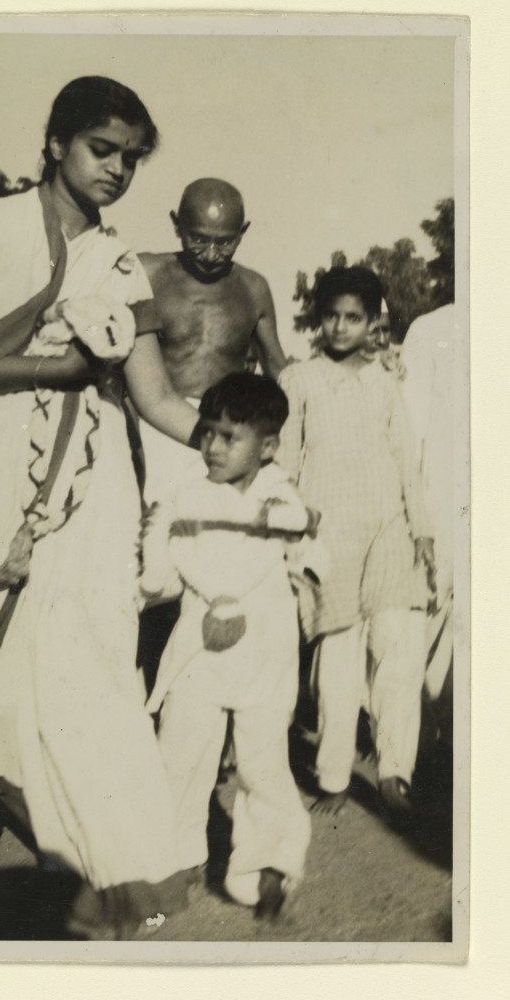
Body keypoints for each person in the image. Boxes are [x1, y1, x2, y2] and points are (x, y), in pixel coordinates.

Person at [0, 76, 200, 937]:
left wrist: (243, 449)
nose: (116, 170)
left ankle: (81, 841)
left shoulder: (122, 261)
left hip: (92, 482)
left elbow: (153, 397)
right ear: (55, 144)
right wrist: (63, 371)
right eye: (100, 150)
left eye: (130, 159)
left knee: (89, 647)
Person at [142, 373, 322, 919]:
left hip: (265, 649)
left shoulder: (284, 499)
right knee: (181, 752)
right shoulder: (187, 498)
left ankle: (264, 866)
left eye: (229, 437)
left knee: (264, 758)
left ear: (267, 447)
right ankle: (177, 860)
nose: (212, 447)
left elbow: (310, 560)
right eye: (207, 434)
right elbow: (163, 574)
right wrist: (149, 578)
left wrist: (310, 572)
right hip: (199, 644)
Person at [277, 267, 435, 818]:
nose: (341, 328)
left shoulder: (386, 381)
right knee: (337, 665)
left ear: (373, 324)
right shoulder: (298, 381)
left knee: (399, 650)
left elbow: (406, 461)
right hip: (328, 540)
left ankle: (396, 772)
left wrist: (422, 529)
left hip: (390, 529)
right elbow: (285, 461)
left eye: (354, 318)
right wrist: (292, 527)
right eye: (331, 316)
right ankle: (335, 775)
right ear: (318, 320)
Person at [137, 178, 288, 506]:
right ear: (177, 224)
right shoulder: (147, 272)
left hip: (221, 433)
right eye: (198, 239)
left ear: (242, 232)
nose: (210, 254)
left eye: (225, 243)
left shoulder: (253, 288)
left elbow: (278, 369)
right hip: (150, 427)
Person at [401, 304, 455, 744]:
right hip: (443, 498)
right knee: (426, 616)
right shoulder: (432, 329)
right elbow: (409, 430)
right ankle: (400, 747)